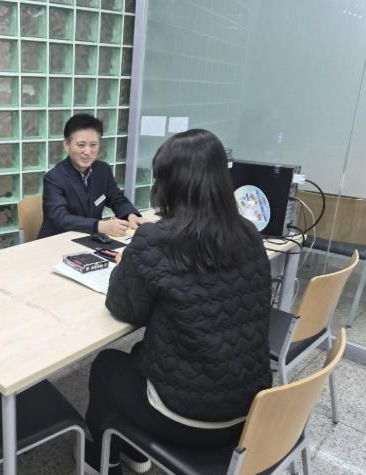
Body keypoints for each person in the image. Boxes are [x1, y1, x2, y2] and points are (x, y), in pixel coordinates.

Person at [84, 129, 273, 475]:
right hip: (251, 411)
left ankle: (103, 460)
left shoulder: (156, 240)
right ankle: (133, 452)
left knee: (106, 365)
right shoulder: (249, 234)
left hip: (186, 417)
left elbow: (124, 308)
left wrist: (128, 263)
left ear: (168, 185)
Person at [37, 113, 142, 239]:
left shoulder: (103, 170)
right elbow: (61, 218)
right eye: (81, 145)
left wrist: (131, 215)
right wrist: (100, 226)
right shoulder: (54, 177)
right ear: (66, 145)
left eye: (93, 145)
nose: (88, 152)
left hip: (91, 240)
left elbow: (117, 199)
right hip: (58, 241)